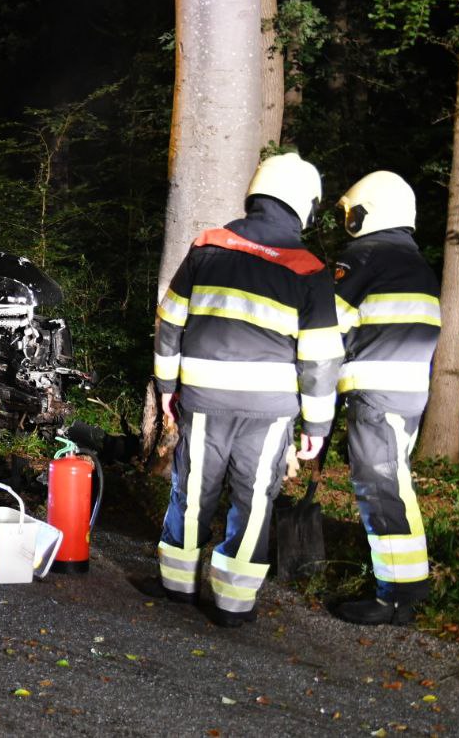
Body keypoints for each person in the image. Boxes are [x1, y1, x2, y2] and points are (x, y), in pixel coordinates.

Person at [151, 152, 343, 627]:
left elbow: (170, 320)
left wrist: (165, 387)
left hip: (203, 397)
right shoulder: (309, 268)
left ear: (256, 191)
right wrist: (317, 425)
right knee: (255, 498)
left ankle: (178, 584)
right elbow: (320, 355)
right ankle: (233, 604)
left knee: (193, 489)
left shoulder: (209, 244)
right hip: (270, 409)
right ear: (305, 205)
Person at [330, 171, 440, 625]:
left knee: (381, 488)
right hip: (409, 395)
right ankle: (407, 590)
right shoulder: (416, 264)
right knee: (396, 484)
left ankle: (394, 595)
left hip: (376, 396)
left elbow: (325, 324)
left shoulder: (365, 256)